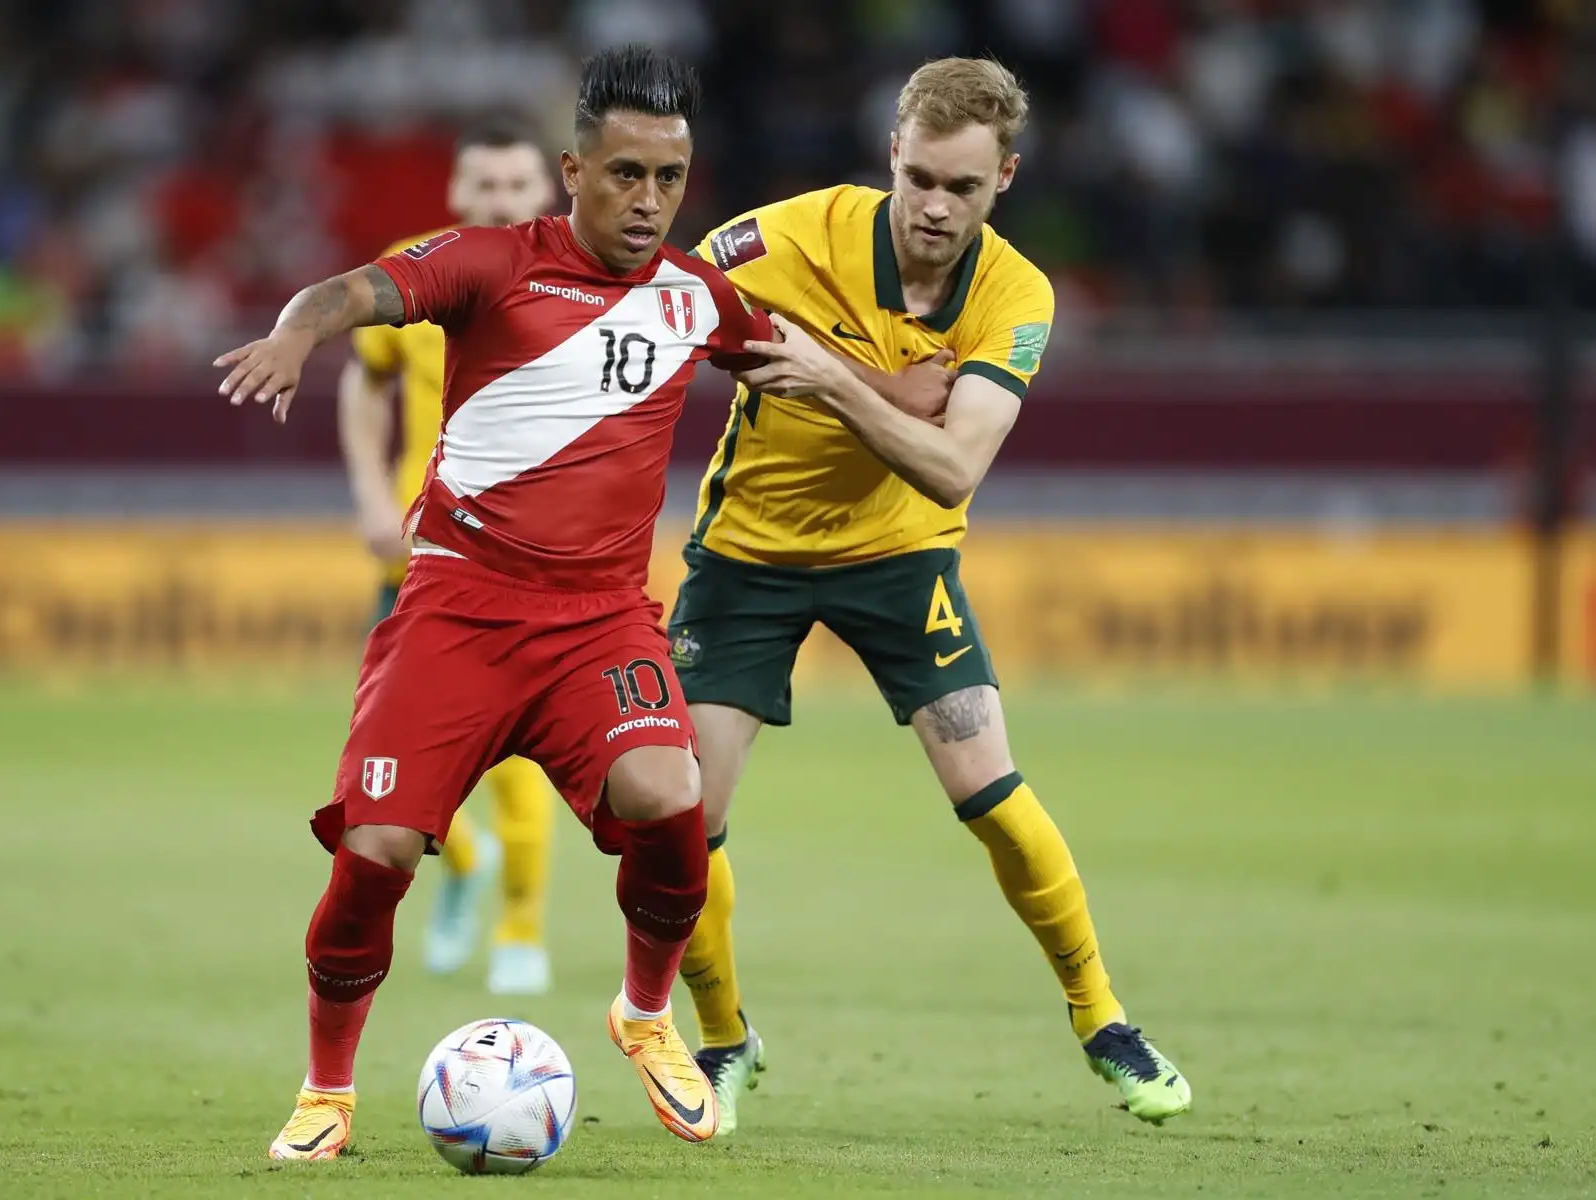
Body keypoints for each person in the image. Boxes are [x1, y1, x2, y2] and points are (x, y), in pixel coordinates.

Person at [214, 44, 774, 1159]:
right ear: (574, 170)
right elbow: (351, 292)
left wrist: (908, 399)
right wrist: (293, 333)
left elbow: (791, 360)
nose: (649, 199)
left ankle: (646, 1014)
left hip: (601, 622)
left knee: (676, 804)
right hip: (458, 613)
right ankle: (327, 1091)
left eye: (669, 178)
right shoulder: (490, 263)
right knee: (373, 854)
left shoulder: (697, 298)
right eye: (625, 174)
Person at [665, 56, 1193, 1134]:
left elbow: (953, 470)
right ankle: (723, 1042)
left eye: (963, 187)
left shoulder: (1018, 295)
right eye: (919, 181)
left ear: (1005, 177)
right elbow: (656, 302)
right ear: (891, 162)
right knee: (681, 819)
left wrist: (826, 376)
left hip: (904, 558)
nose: (936, 208)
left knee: (991, 795)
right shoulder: (786, 240)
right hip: (748, 557)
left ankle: (1104, 1022)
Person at [339, 121, 558, 996]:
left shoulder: (577, 284)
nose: (502, 202)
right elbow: (367, 376)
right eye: (486, 187)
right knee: (380, 750)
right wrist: (367, 496)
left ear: (547, 193)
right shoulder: (414, 269)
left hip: (526, 557)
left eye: (517, 187)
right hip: (420, 551)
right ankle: (461, 857)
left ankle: (520, 932)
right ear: (457, 196)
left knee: (515, 754)